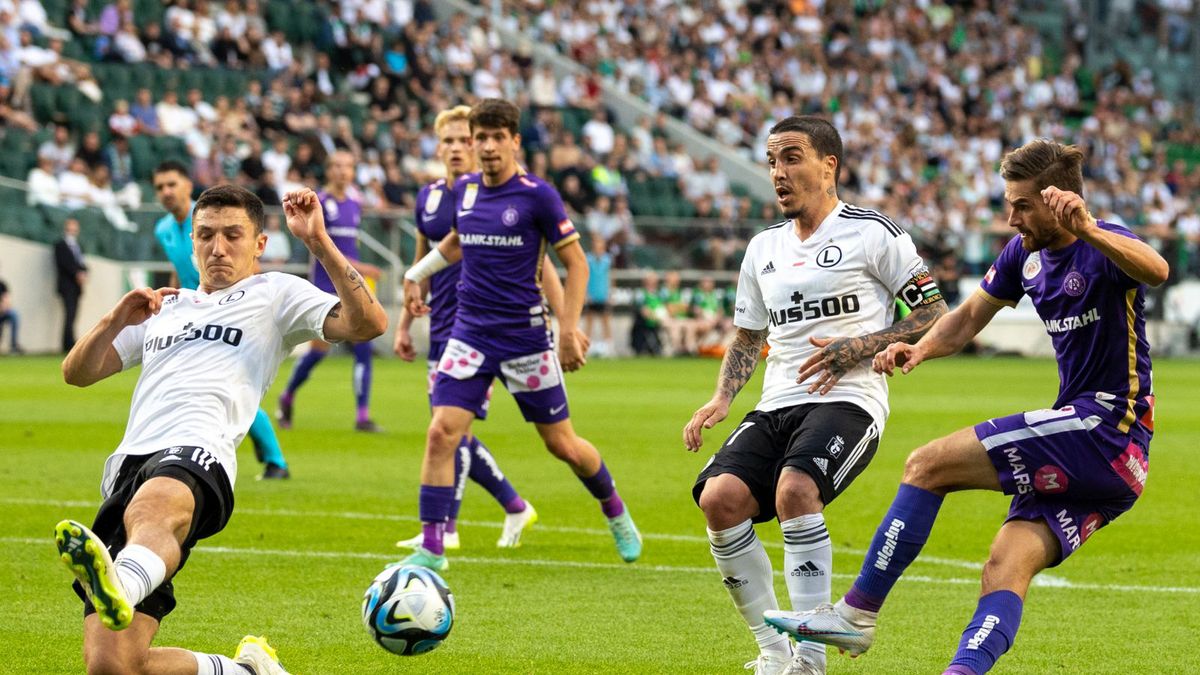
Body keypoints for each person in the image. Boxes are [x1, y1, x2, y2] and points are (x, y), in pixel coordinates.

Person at [763, 140, 1167, 675]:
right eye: (1009, 203)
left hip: (1105, 427)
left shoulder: (1106, 241)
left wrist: (1089, 228)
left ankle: (856, 614)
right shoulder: (1023, 254)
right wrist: (921, 346)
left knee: (927, 465)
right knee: (1004, 565)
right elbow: (970, 315)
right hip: (1107, 459)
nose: (1011, 217)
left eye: (1022, 205)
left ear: (1059, 199)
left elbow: (1156, 270)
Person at [55, 184, 387, 675]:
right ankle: (244, 671)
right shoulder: (166, 307)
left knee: (155, 506)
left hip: (198, 454)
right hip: (127, 467)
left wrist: (318, 242)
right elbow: (77, 373)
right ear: (192, 241)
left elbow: (368, 322)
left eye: (233, 235)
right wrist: (112, 319)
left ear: (259, 243)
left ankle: (123, 580)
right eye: (206, 235)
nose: (218, 247)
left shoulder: (275, 293)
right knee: (115, 666)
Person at [682, 116, 948, 675]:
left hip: (850, 399)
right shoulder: (762, 248)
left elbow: (933, 311)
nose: (779, 172)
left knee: (796, 490)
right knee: (719, 500)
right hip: (778, 400)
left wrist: (862, 344)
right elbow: (750, 334)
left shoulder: (874, 232)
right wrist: (722, 399)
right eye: (773, 160)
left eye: (792, 158)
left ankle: (811, 661)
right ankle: (774, 655)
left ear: (830, 165)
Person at [399, 98, 642, 571]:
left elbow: (575, 263)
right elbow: (454, 242)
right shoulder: (466, 191)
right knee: (441, 433)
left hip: (526, 340)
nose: (486, 147)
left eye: (496, 138)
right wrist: (417, 273)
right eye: (479, 138)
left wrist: (568, 328)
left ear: (513, 142)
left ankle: (614, 510)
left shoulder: (538, 196)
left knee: (562, 445)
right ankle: (432, 549)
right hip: (469, 336)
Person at [393, 105, 539, 551]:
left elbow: (537, 255)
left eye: (464, 139)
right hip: (440, 321)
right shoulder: (430, 197)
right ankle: (513, 505)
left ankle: (447, 528)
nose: (457, 148)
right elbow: (421, 264)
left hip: (481, 324)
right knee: (447, 427)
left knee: (451, 428)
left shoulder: (496, 194)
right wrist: (404, 322)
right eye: (449, 141)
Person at [152, 160, 292, 480]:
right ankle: (267, 458)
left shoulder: (209, 218)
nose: (166, 192)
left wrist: (250, 307)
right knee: (211, 388)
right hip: (191, 317)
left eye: (172, 184)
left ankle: (274, 459)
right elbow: (181, 266)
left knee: (229, 387)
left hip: (228, 312)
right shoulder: (163, 229)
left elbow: (245, 263)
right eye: (160, 187)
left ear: (189, 185)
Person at [277, 150, 384, 433]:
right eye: (337, 166)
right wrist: (363, 268)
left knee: (364, 345)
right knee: (318, 353)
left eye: (348, 166)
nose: (343, 171)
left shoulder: (354, 204)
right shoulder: (319, 203)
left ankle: (363, 415)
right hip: (325, 287)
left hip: (349, 285)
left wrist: (359, 271)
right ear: (328, 170)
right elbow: (323, 248)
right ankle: (287, 395)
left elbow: (348, 248)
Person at [54, 217, 88, 353]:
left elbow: (82, 263)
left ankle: (70, 341)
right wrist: (76, 274)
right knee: (69, 314)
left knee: (73, 314)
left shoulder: (79, 246)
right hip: (66, 286)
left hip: (77, 287)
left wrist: (84, 273)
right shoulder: (60, 245)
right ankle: (67, 343)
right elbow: (63, 264)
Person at [582, 234, 614, 357]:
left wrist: (610, 293)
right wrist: (585, 293)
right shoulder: (587, 259)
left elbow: (610, 278)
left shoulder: (607, 260)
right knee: (589, 321)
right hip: (592, 294)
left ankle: (609, 347)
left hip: (603, 294)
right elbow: (584, 277)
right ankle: (585, 347)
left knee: (606, 321)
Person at [0, 274, 23, 354]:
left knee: (14, 315)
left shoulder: (2, 285)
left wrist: (3, 307)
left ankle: (13, 346)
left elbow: (7, 300)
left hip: (3, 312)